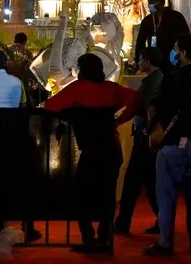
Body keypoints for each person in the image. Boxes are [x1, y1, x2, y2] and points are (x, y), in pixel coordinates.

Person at [44, 53, 138, 254]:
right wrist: (119, 119)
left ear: (81, 70)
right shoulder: (112, 89)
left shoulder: (77, 89)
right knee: (107, 195)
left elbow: (49, 106)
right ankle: (105, 238)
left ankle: (89, 238)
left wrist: (70, 117)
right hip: (112, 149)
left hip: (91, 151)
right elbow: (135, 99)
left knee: (82, 196)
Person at [145, 34, 191, 256]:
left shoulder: (173, 78)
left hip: (173, 141)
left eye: (176, 49)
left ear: (182, 53)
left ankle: (166, 242)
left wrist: (154, 129)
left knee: (166, 195)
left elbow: (160, 106)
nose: (173, 53)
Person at [0, 50, 39, 247]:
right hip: (14, 138)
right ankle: (28, 226)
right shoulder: (16, 82)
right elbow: (23, 106)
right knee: (19, 182)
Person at [114, 48, 164, 237]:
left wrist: (118, 120)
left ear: (148, 61)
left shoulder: (151, 82)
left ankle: (123, 222)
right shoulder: (159, 79)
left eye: (141, 59)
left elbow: (136, 107)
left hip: (145, 138)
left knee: (133, 182)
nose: (139, 63)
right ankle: (162, 219)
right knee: (150, 183)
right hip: (150, 138)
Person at [135, 0, 190, 69]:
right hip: (154, 62)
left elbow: (186, 37)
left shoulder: (176, 16)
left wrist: (184, 57)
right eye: (149, 2)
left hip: (173, 59)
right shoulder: (147, 20)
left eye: (152, 1)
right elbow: (140, 42)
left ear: (160, 3)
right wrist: (139, 60)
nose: (149, 4)